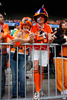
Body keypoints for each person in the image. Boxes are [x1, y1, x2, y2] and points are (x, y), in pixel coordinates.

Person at [30, 6, 56, 100]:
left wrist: (50, 40)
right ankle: (37, 91)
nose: (39, 18)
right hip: (36, 49)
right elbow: (31, 40)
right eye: (37, 17)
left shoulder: (48, 27)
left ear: (45, 18)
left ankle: (39, 89)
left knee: (41, 69)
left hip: (44, 50)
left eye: (41, 16)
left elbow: (49, 38)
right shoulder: (33, 27)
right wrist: (31, 39)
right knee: (36, 65)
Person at [10, 17, 34, 98]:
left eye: (28, 25)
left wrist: (18, 39)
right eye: (25, 25)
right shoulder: (16, 31)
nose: (26, 26)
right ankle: (14, 94)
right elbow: (11, 41)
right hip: (13, 54)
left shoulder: (30, 33)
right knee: (14, 76)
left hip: (23, 56)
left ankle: (23, 94)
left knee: (22, 77)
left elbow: (28, 41)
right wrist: (17, 37)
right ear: (22, 25)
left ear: (30, 26)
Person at [53, 19, 67, 98]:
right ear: (61, 25)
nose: (65, 24)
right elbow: (55, 41)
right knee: (60, 75)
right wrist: (64, 40)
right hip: (58, 56)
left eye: (66, 23)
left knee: (66, 75)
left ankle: (65, 89)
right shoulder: (57, 32)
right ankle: (62, 90)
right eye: (64, 23)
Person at [0, 13, 9, 97]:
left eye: (2, 16)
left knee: (1, 71)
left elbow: (3, 35)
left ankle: (1, 91)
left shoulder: (5, 25)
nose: (2, 18)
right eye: (0, 17)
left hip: (2, 52)